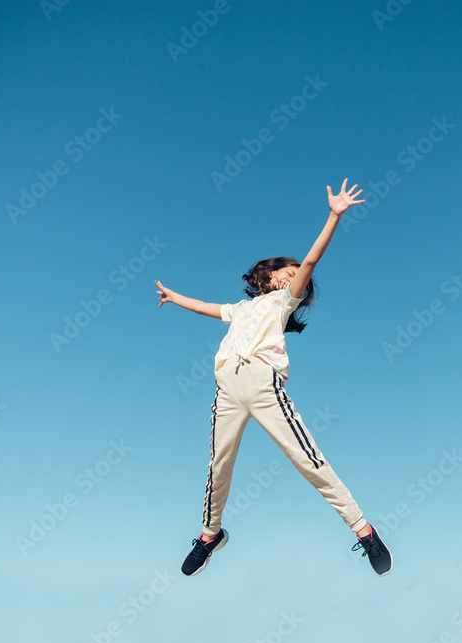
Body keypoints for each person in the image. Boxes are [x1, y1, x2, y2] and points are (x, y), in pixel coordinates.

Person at [154, 179, 392, 578]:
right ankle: (210, 536)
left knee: (307, 459)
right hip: (227, 389)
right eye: (291, 270)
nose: (296, 275)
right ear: (272, 271)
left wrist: (334, 216)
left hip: (264, 386)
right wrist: (175, 297)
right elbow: (205, 308)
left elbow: (313, 261)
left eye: (298, 276)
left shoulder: (284, 301)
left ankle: (364, 530)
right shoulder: (238, 309)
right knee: (218, 465)